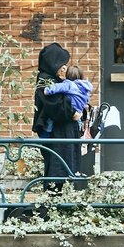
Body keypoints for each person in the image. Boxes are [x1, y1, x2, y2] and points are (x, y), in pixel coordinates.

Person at [31, 43, 80, 190]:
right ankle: (54, 203)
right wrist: (73, 113)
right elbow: (58, 109)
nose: (64, 67)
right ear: (54, 63)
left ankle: (61, 203)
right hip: (55, 133)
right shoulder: (45, 82)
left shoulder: (55, 80)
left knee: (64, 168)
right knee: (57, 168)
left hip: (63, 133)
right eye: (62, 64)